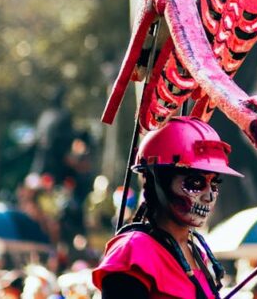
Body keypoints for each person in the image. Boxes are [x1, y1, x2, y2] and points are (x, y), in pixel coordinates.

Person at [92, 117, 242, 299]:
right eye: (195, 182)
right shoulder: (132, 252)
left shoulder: (199, 254)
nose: (209, 196)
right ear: (157, 181)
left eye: (214, 184)